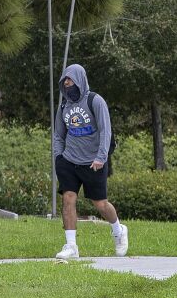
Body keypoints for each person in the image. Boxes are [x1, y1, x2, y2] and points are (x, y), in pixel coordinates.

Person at [53, 64, 127, 260]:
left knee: (100, 204)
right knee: (68, 199)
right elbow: (59, 135)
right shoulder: (63, 106)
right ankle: (71, 246)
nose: (67, 83)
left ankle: (118, 230)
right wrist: (58, 157)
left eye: (70, 80)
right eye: (65, 81)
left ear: (79, 80)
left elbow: (105, 130)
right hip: (69, 160)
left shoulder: (95, 101)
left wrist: (101, 157)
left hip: (94, 161)